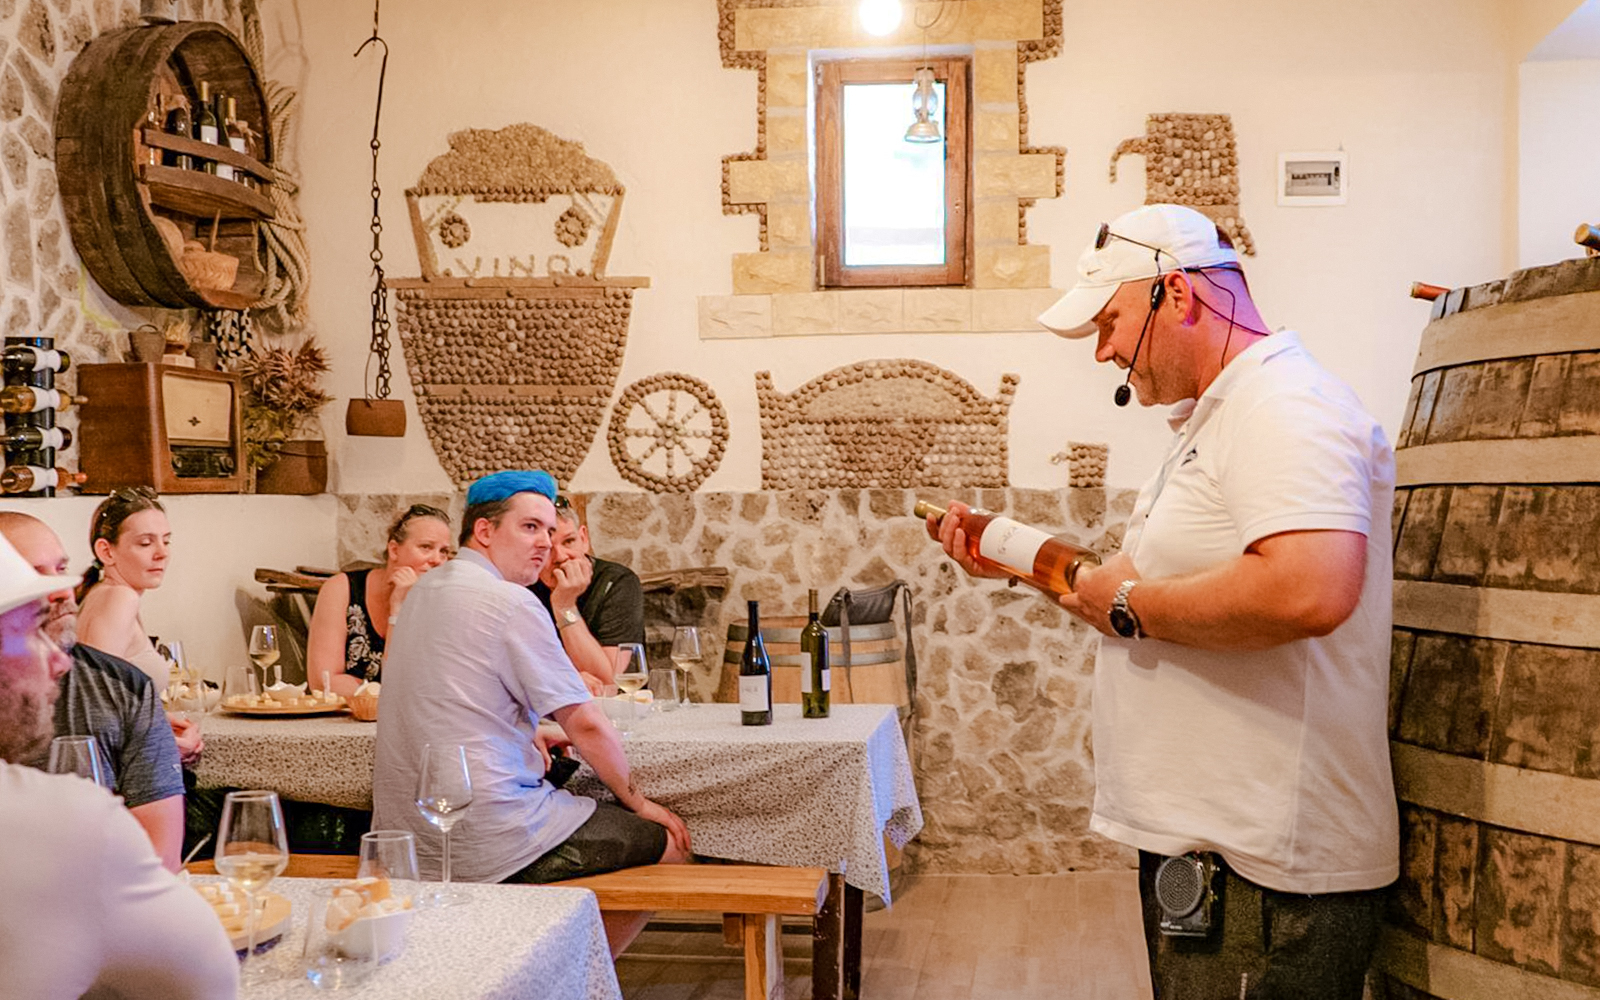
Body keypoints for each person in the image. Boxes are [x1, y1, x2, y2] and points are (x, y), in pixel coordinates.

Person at [930, 204, 1397, 999]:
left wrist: (1133, 603)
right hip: (1214, 848)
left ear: (1176, 295)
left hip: (1271, 866)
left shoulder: (1285, 406)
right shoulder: (1217, 418)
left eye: (1110, 324)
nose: (1106, 351)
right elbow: (1131, 601)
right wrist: (1014, 559)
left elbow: (1311, 587)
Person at [371, 469, 690, 957]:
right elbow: (585, 722)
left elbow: (454, 696)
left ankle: (526, 960)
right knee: (670, 845)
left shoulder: (421, 594)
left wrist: (527, 729)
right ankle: (564, 977)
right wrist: (640, 803)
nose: (544, 543)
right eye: (529, 528)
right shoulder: (510, 601)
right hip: (488, 833)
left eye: (548, 529)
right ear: (484, 531)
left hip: (409, 832)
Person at [0, 533, 239, 999]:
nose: (57, 662)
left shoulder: (120, 687)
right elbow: (203, 985)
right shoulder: (64, 819)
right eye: (31, 630)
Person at [0, 512, 186, 872]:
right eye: (34, 575)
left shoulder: (124, 687)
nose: (61, 590)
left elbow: (159, 858)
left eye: (60, 569)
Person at [73, 488, 202, 766]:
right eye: (145, 543)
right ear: (106, 550)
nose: (161, 554)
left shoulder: (102, 593)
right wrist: (165, 746)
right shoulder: (120, 598)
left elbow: (118, 704)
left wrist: (162, 725)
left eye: (166, 542)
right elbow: (96, 708)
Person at [306, 503, 453, 697]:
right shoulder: (342, 589)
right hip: (340, 721)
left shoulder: (443, 602)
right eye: (426, 547)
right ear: (394, 550)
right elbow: (323, 681)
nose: (437, 560)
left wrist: (398, 608)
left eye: (444, 551)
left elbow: (417, 686)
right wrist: (382, 697)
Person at [529, 499, 645, 695]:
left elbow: (606, 683)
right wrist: (563, 679)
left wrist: (565, 607)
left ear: (584, 539)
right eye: (547, 548)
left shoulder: (617, 582)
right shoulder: (523, 585)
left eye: (569, 541)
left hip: (616, 714)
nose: (560, 557)